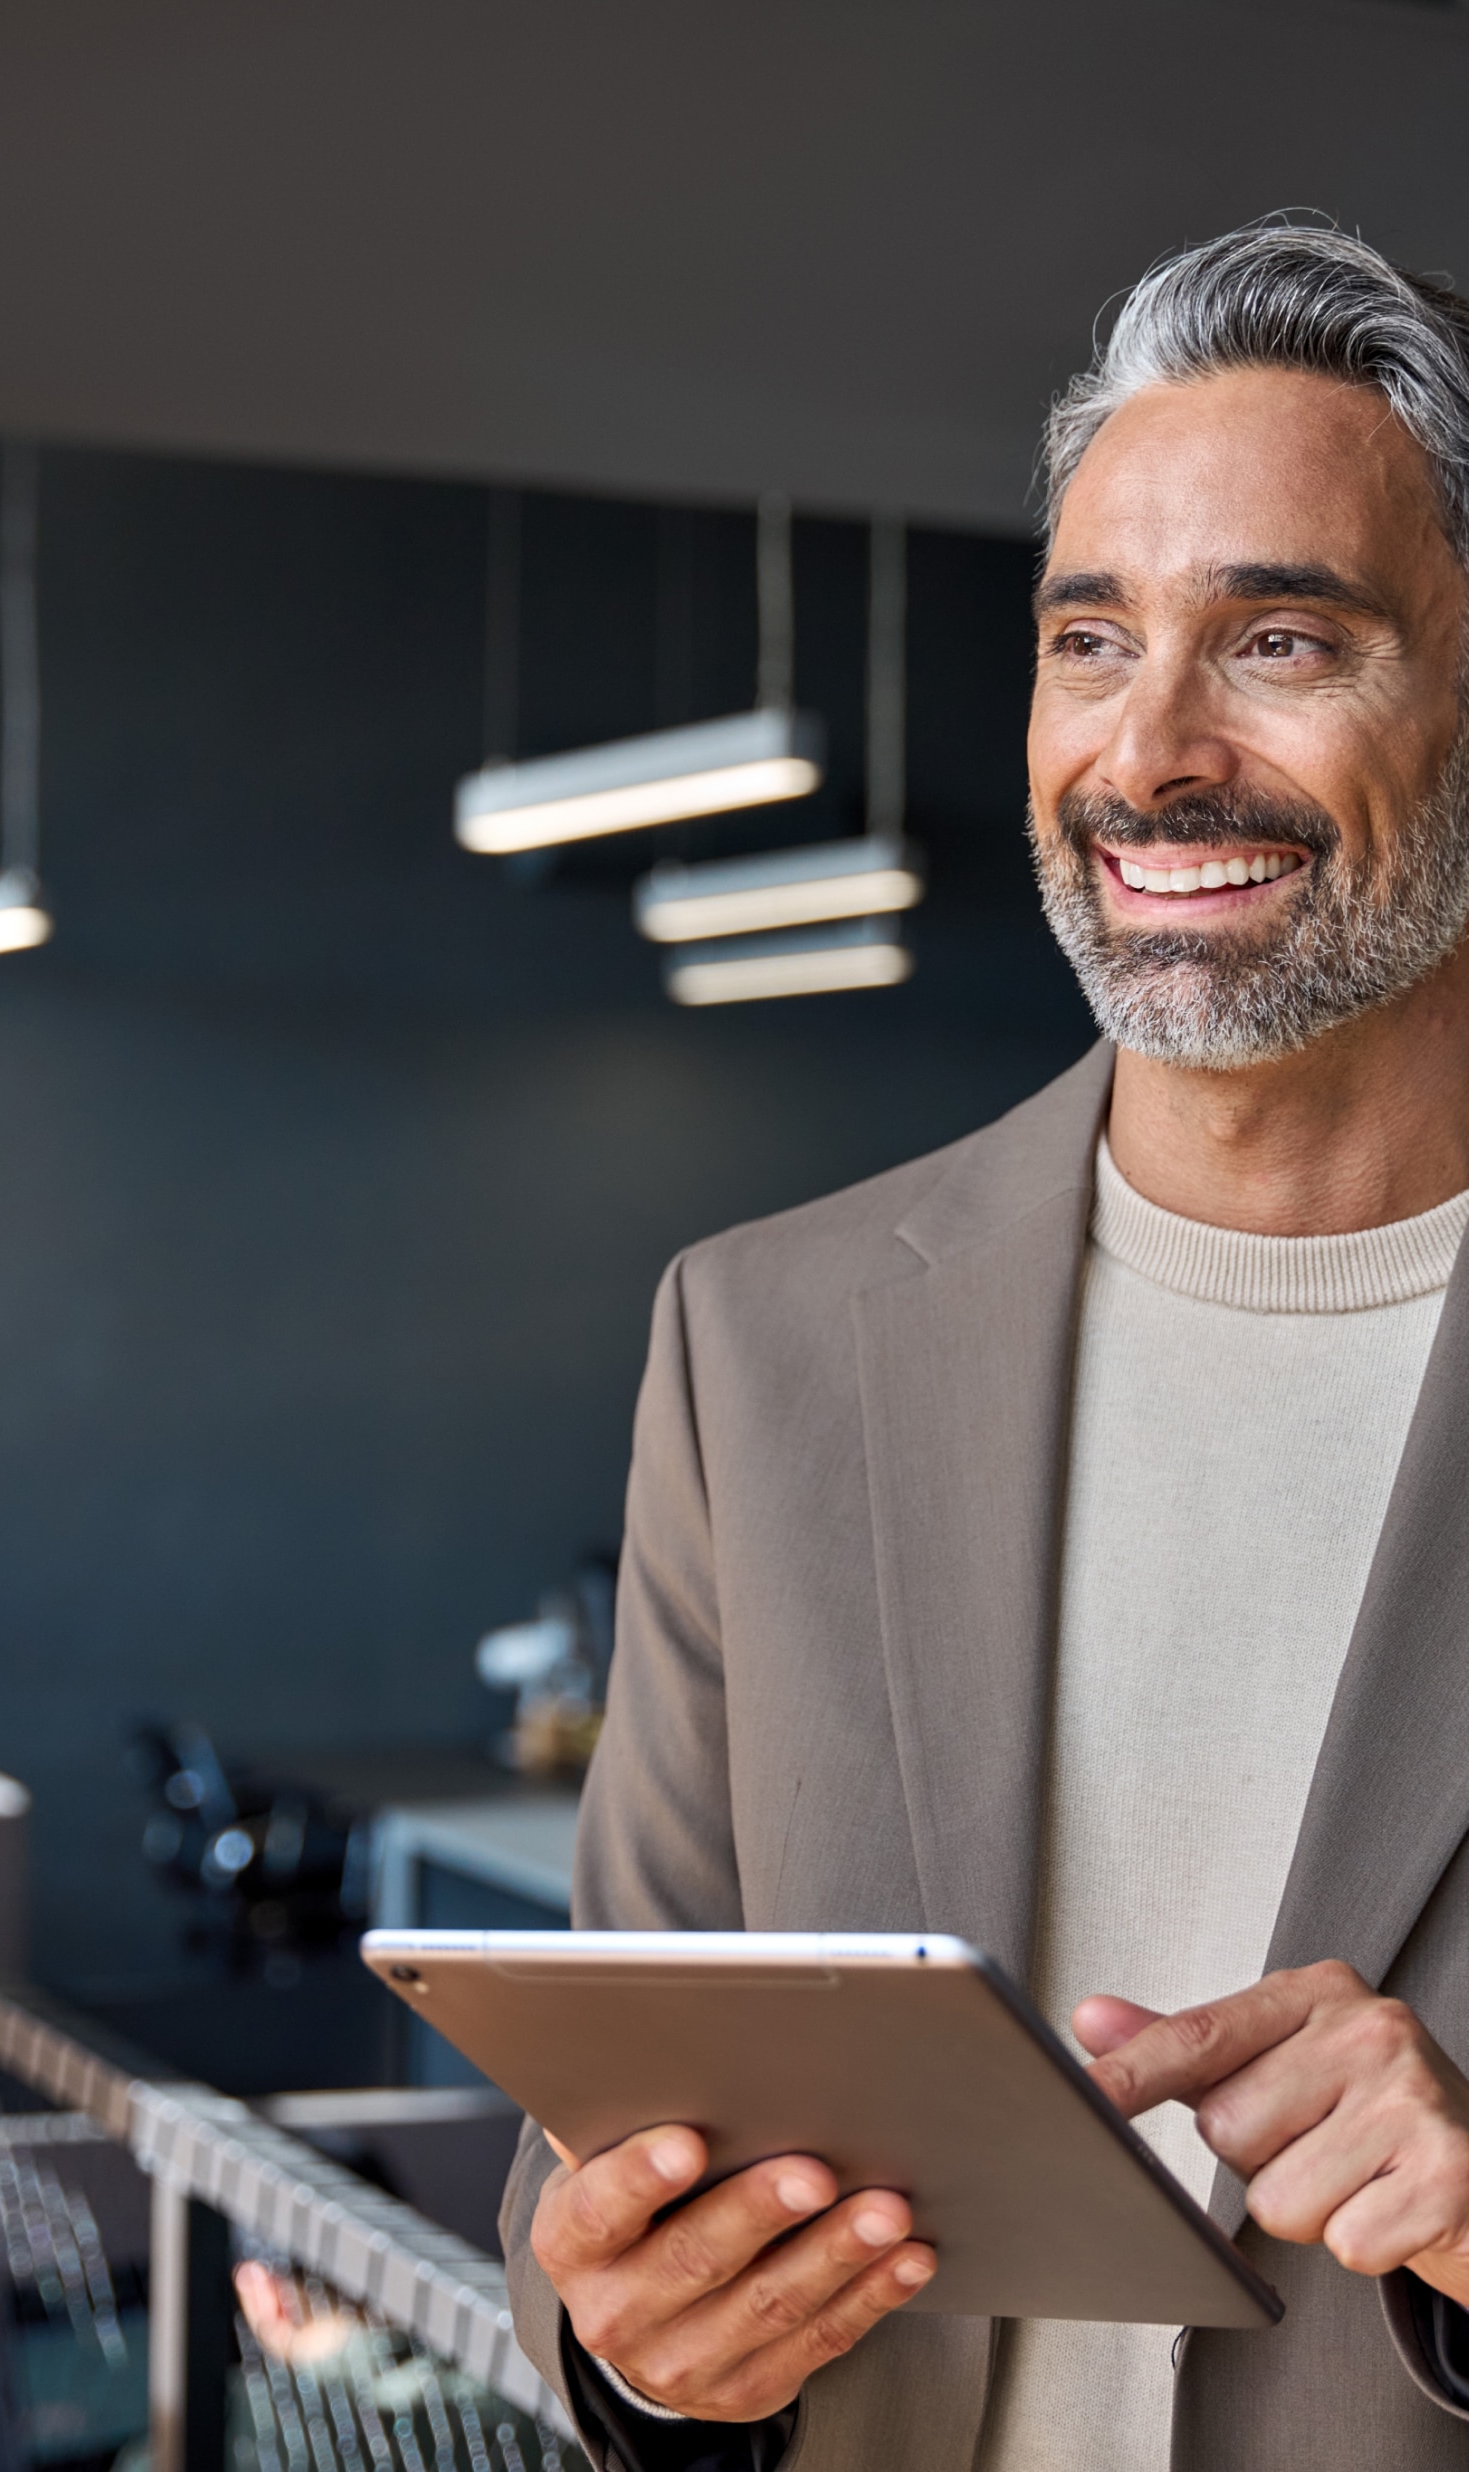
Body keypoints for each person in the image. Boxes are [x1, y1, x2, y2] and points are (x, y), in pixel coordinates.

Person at [497, 222, 1469, 2471]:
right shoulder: (766, 1342)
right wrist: (649, 2344)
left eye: (1281, 638)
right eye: (1085, 641)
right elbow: (594, 2158)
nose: (1151, 753)